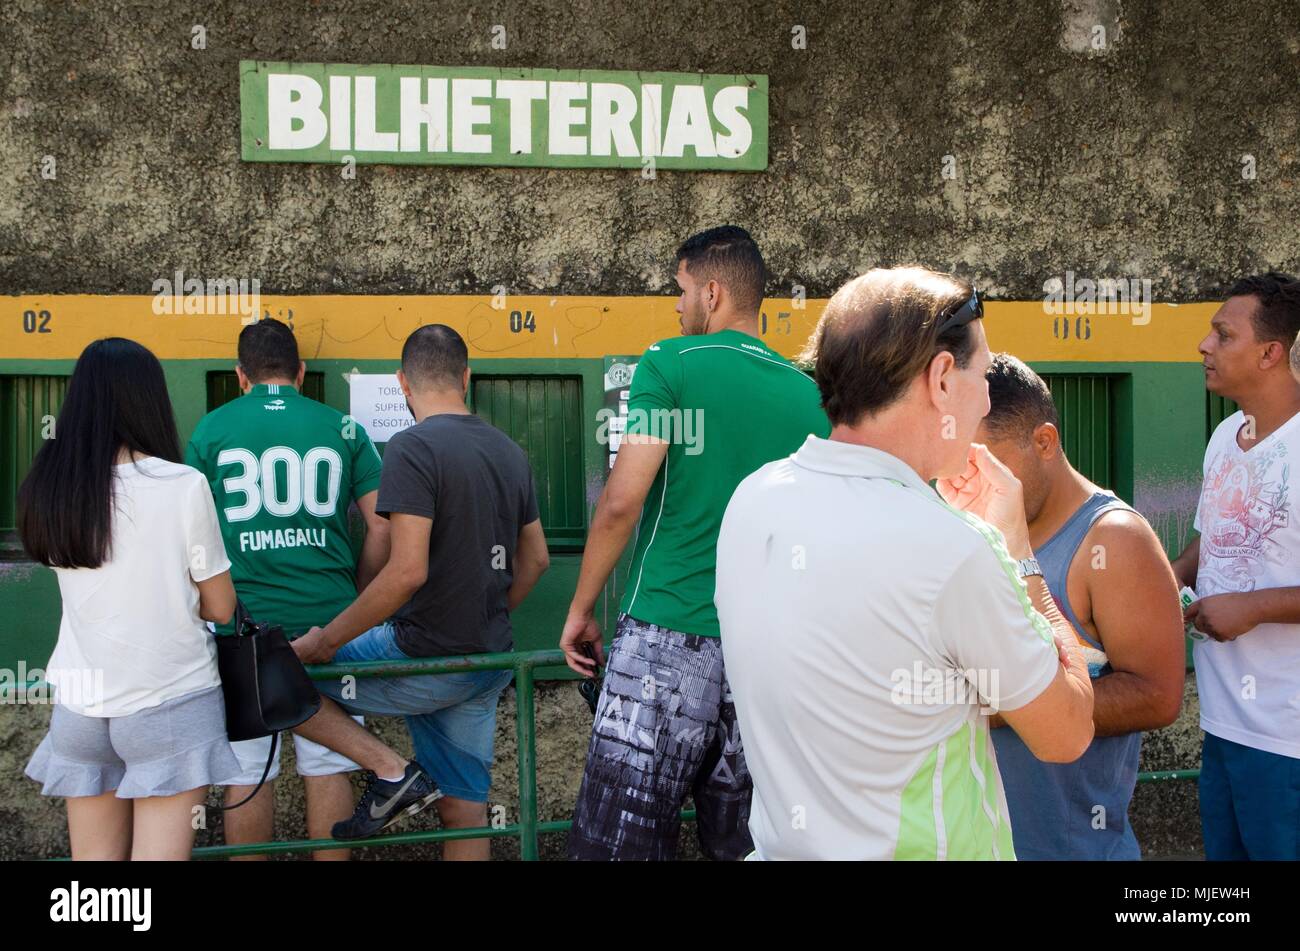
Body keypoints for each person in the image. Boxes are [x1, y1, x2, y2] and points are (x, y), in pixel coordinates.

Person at [715, 266, 1095, 860]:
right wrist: (1017, 552)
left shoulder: (753, 499)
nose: (988, 399)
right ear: (942, 377)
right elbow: (1066, 732)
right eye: (983, 373)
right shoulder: (957, 548)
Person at [561, 225, 830, 860]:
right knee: (745, 845)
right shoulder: (811, 394)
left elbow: (622, 501)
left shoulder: (669, 364)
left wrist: (580, 610)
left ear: (711, 293)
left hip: (665, 637)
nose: (676, 307)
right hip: (767, 652)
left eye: (680, 291)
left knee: (619, 845)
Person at [291, 324, 549, 859]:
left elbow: (406, 572)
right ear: (467, 377)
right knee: (463, 807)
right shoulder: (508, 451)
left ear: (402, 384)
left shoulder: (410, 446)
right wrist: (489, 611)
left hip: (422, 655)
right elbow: (538, 559)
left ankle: (392, 772)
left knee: (281, 680)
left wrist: (324, 641)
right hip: (489, 656)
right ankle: (402, 777)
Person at [20, 338, 243, 860]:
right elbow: (223, 608)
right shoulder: (181, 484)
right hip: (170, 700)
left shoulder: (51, 487)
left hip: (79, 709)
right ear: (149, 400)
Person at [185, 317, 389, 860]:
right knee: (331, 764)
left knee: (249, 770)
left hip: (241, 623)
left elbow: (191, 537)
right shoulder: (342, 428)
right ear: (300, 372)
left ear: (240, 376)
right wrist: (359, 594)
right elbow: (384, 526)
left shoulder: (211, 431)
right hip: (332, 620)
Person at [977, 353, 1184, 860]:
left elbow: (1157, 696)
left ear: (1044, 441)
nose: (975, 482)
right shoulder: (975, 521)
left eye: (988, 463)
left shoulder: (1112, 539)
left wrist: (1007, 706)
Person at [1172, 272, 1300, 861]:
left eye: (1224, 334)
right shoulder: (1225, 435)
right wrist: (1163, 582)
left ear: (1272, 353)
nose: (1205, 345)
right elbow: (1210, 543)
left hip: (1287, 735)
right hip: (1222, 722)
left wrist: (1252, 609)